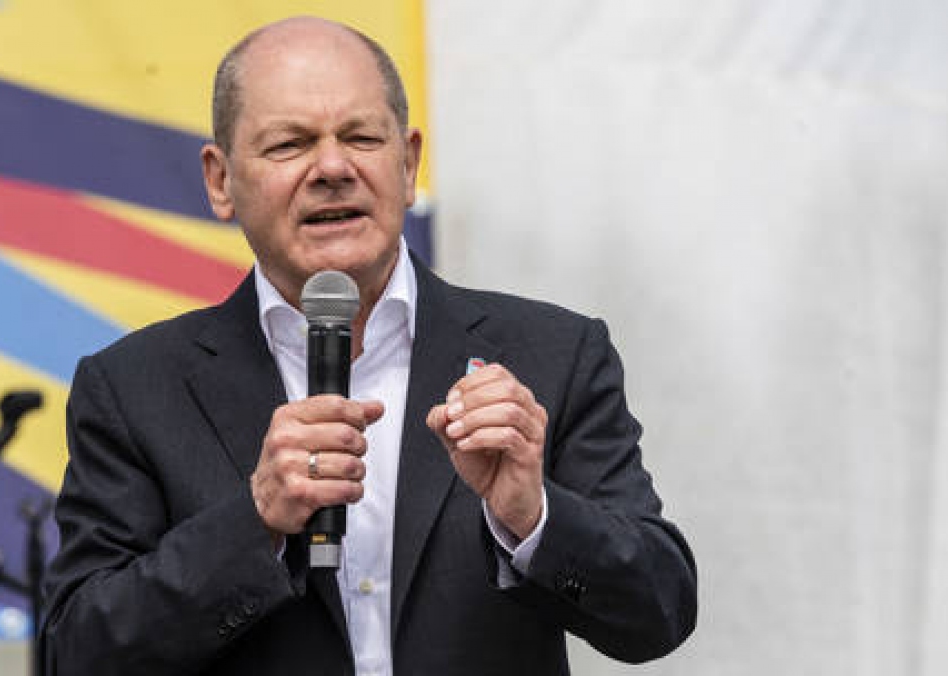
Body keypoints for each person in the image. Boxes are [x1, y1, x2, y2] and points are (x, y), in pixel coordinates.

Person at [41, 16, 696, 676]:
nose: (333, 167)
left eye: (361, 137)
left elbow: (659, 612)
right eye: (290, 144)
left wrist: (534, 516)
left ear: (408, 163)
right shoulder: (134, 389)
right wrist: (254, 521)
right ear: (220, 180)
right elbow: (78, 652)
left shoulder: (551, 354)